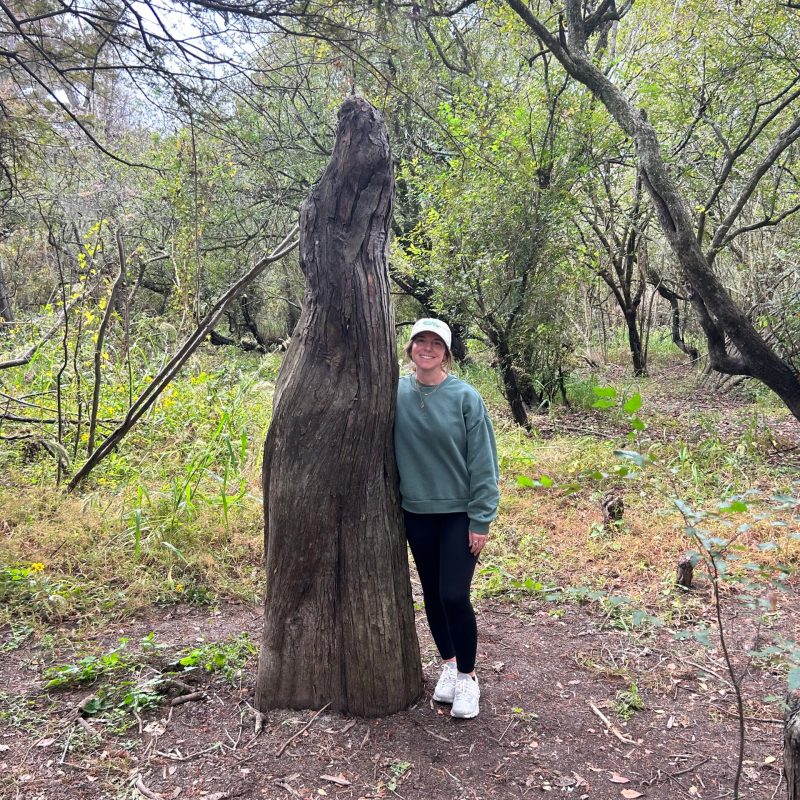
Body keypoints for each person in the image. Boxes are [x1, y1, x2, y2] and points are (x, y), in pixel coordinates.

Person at [394, 318, 500, 719]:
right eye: (420, 341)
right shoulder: (394, 392)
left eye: (436, 343)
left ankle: (469, 677)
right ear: (410, 348)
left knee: (454, 594)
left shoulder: (465, 397)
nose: (427, 348)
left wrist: (481, 519)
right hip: (416, 512)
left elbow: (484, 462)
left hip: (459, 513)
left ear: (446, 353)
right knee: (433, 595)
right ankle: (450, 665)